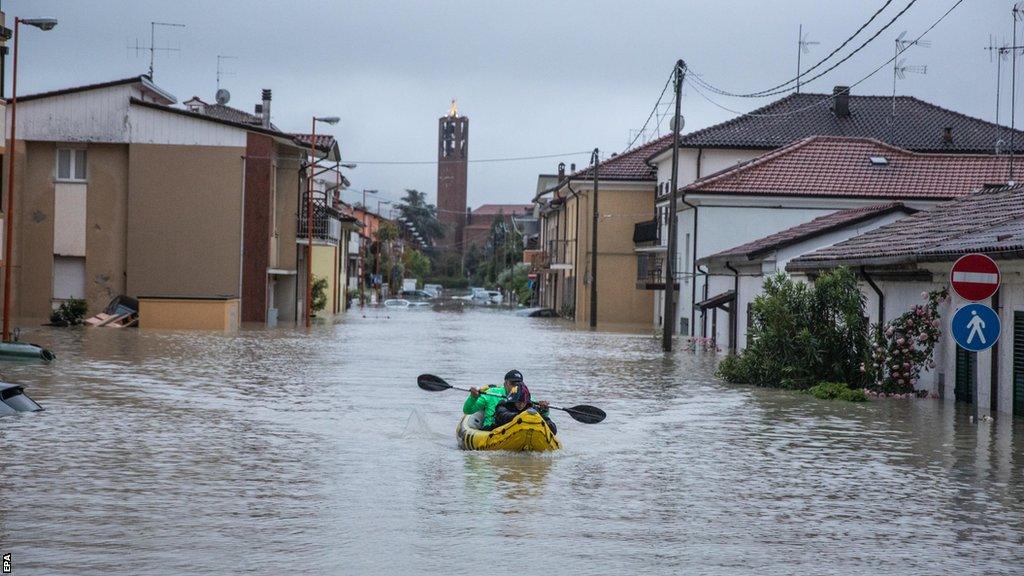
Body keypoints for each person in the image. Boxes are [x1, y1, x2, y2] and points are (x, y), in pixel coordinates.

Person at [492, 370, 556, 435]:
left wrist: (543, 411)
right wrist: (525, 416)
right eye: (518, 401)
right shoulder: (503, 405)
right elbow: (504, 416)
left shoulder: (531, 406)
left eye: (523, 402)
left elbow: (553, 429)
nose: (521, 404)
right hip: (502, 433)